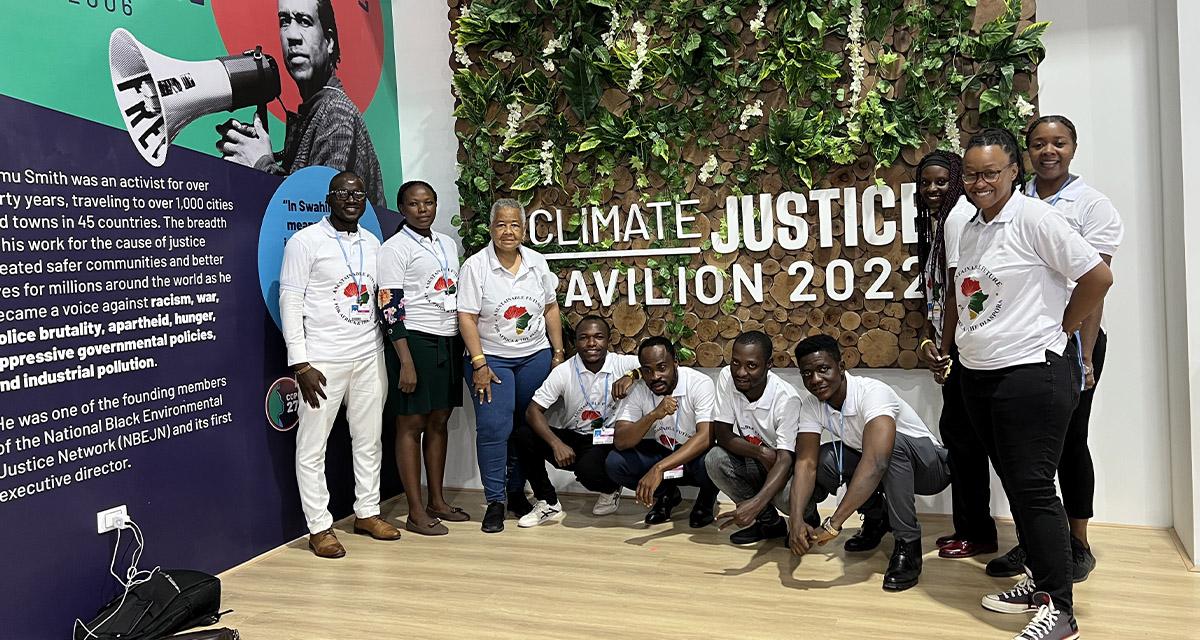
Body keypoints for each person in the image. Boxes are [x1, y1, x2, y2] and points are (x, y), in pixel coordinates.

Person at [955, 128, 1112, 639]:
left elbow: (1096, 277)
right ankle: (1041, 578)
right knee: (1017, 483)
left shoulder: (1035, 217)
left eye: (990, 173)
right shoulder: (972, 225)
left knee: (1034, 487)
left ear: (1012, 172)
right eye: (972, 174)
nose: (980, 183)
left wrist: (1063, 329)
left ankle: (1060, 610)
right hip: (981, 373)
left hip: (1031, 373)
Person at [980, 115, 1125, 582]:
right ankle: (1037, 543)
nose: (1048, 152)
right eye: (1039, 144)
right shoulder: (1013, 202)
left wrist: (1079, 347)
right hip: (1027, 345)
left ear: (1074, 147)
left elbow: (1095, 283)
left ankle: (1077, 543)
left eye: (1058, 143)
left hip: (1070, 341)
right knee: (1028, 457)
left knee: (1070, 444)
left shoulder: (1090, 206)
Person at [279, 171, 400, 558]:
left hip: (369, 355)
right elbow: (290, 301)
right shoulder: (305, 242)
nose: (352, 199)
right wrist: (300, 363)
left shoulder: (372, 242)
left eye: (358, 194)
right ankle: (319, 527)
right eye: (343, 193)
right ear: (329, 198)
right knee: (312, 447)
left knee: (368, 440)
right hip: (321, 362)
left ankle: (367, 512)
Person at [785, 335, 951, 593]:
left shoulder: (873, 393)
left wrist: (834, 523)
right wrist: (795, 520)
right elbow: (806, 464)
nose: (815, 380)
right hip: (886, 468)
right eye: (807, 374)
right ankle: (877, 519)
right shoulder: (812, 404)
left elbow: (876, 462)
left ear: (841, 367)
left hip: (931, 468)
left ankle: (908, 545)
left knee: (887, 448)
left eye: (823, 369)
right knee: (826, 458)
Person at [458, 198, 565, 533]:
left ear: (524, 228)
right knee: (493, 428)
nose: (508, 231)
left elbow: (550, 308)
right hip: (491, 361)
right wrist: (479, 363)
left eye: (514, 224)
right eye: (501, 224)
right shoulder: (476, 267)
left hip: (534, 357)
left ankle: (517, 493)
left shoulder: (537, 262)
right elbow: (466, 317)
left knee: (525, 428)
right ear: (491, 229)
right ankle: (495, 501)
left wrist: (558, 353)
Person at [913, 150, 999, 560]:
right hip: (960, 349)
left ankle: (977, 532)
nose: (932, 190)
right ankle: (973, 529)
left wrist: (945, 349)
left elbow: (955, 294)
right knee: (964, 443)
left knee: (968, 445)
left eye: (942, 182)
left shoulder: (957, 218)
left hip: (968, 352)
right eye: (925, 183)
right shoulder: (944, 223)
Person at [217, 0, 387, 208]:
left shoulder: (336, 113)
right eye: (284, 21)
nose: (292, 36)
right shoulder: (317, 111)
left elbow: (316, 211)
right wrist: (257, 152)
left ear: (329, 41)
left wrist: (261, 162)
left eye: (304, 21)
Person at [376, 181, 468, 536]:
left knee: (439, 421)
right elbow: (389, 304)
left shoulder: (446, 243)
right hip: (413, 343)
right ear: (402, 208)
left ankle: (438, 501)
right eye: (414, 204)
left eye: (429, 202)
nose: (423, 209)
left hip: (447, 342)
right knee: (410, 425)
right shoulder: (394, 248)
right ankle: (415, 511)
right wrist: (406, 360)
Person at [512, 316, 641, 526]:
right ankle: (548, 501)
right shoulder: (564, 371)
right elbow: (532, 411)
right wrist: (556, 443)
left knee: (587, 470)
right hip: (575, 438)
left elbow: (656, 364)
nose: (591, 343)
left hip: (608, 440)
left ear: (608, 340)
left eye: (598, 337)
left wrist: (632, 375)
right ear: (576, 342)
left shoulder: (621, 363)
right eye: (584, 338)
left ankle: (610, 489)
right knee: (522, 434)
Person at [606, 337, 720, 528]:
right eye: (647, 370)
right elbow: (621, 440)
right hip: (664, 449)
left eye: (662, 367)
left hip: (692, 456)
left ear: (675, 363)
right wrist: (653, 415)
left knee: (714, 459)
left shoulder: (699, 383)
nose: (655, 376)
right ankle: (666, 495)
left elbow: (706, 436)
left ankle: (706, 500)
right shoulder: (639, 389)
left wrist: (658, 468)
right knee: (615, 463)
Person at [708, 331, 804, 545]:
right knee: (714, 459)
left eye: (751, 365)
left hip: (785, 467)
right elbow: (722, 434)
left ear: (769, 364)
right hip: (758, 457)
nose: (740, 372)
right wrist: (760, 452)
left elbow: (785, 459)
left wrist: (756, 503)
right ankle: (770, 524)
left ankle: (807, 518)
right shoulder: (726, 377)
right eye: (735, 363)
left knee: (785, 498)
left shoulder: (787, 399)